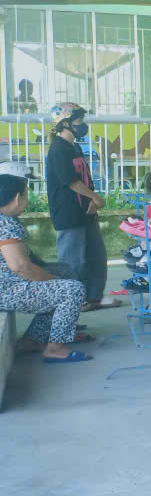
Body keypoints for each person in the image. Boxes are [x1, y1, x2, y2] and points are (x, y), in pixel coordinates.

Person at [0, 173, 91, 362]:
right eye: (26, 194)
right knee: (72, 290)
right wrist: (54, 281)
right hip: (7, 290)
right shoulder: (6, 224)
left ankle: (32, 340)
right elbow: (20, 267)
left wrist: (54, 277)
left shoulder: (7, 219)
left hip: (6, 283)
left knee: (64, 271)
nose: (27, 199)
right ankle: (55, 348)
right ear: (17, 198)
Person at [44, 102, 116, 312]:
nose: (82, 124)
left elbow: (83, 178)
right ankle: (70, 306)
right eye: (78, 120)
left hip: (86, 211)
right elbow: (70, 181)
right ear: (65, 123)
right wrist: (95, 197)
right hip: (69, 214)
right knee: (72, 263)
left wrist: (92, 201)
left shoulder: (74, 146)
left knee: (96, 257)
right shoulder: (58, 148)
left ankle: (94, 297)